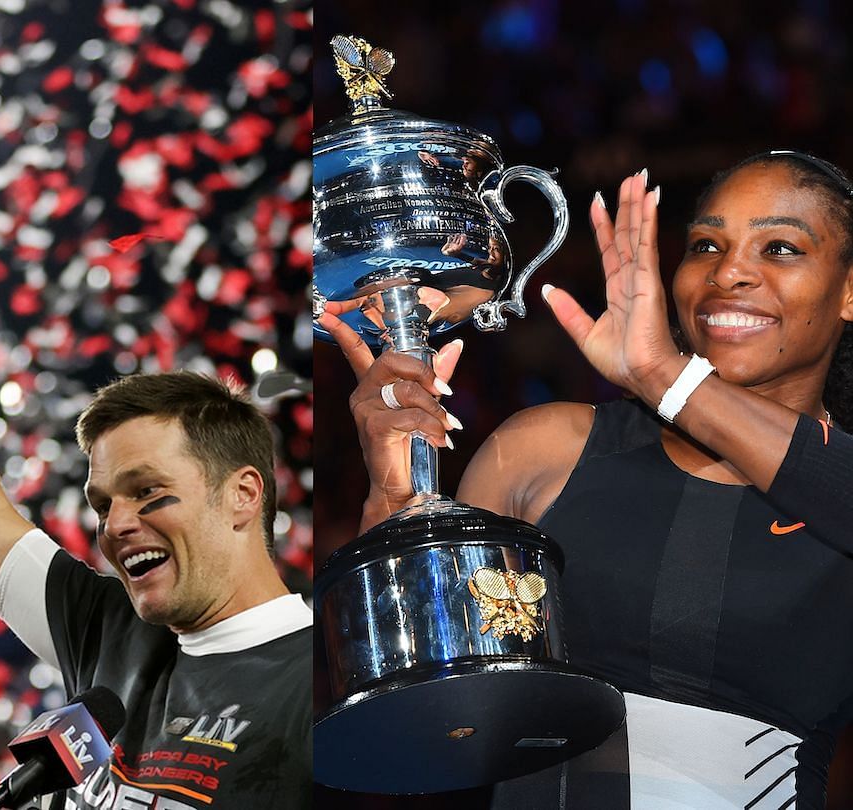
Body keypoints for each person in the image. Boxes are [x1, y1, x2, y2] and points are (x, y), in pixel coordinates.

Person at [319, 152, 853, 809]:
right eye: (707, 245)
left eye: (779, 247)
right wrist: (397, 497)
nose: (729, 272)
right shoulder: (546, 450)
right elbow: (415, 716)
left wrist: (662, 374)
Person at [0, 162, 312, 810]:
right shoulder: (110, 631)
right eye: (104, 503)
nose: (115, 525)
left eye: (148, 492)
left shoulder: (313, 682)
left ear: (243, 495)